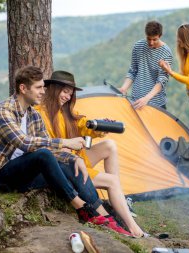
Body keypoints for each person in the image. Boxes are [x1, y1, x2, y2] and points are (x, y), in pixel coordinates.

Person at [0, 66, 132, 237]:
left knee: (69, 164)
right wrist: (65, 142)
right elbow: (24, 142)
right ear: (23, 88)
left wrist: (73, 158)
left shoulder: (33, 115)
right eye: (39, 87)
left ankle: (105, 218)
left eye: (43, 87)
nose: (43, 91)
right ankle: (81, 207)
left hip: (24, 174)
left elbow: (48, 146)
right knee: (44, 155)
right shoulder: (3, 112)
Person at [35, 70, 145, 237]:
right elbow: (46, 147)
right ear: (54, 89)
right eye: (64, 91)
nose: (67, 97)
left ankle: (116, 201)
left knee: (110, 145)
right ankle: (134, 228)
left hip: (77, 160)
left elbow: (83, 124)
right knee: (112, 181)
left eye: (70, 94)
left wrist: (98, 127)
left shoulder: (64, 111)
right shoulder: (40, 114)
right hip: (66, 168)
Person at [119, 20, 173, 110]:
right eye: (149, 39)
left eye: (154, 39)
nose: (151, 42)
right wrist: (124, 88)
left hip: (156, 104)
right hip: (135, 101)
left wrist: (146, 98)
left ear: (160, 36)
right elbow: (133, 71)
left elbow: (162, 81)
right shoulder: (138, 46)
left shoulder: (166, 52)